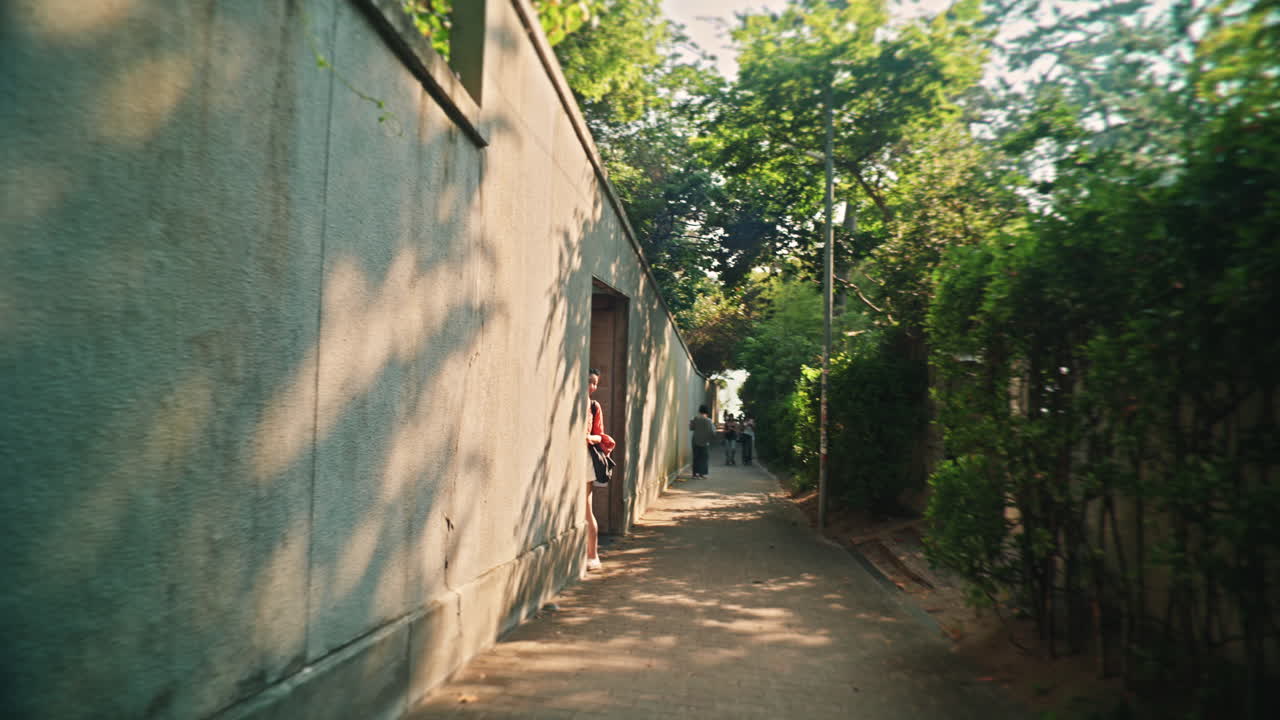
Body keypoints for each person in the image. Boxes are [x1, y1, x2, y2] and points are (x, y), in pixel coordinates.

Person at [585, 368, 614, 572]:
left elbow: (600, 436)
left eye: (595, 383)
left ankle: (593, 555)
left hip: (585, 460)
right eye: (590, 382)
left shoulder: (594, 406)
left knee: (586, 508)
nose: (593, 386)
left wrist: (588, 437)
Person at [689, 404, 715, 478]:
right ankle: (701, 474)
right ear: (707, 411)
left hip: (695, 440)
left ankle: (694, 474)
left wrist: (691, 423)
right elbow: (712, 432)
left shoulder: (695, 418)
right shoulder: (709, 420)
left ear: (699, 410)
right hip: (705, 441)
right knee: (703, 458)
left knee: (696, 457)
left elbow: (691, 428)